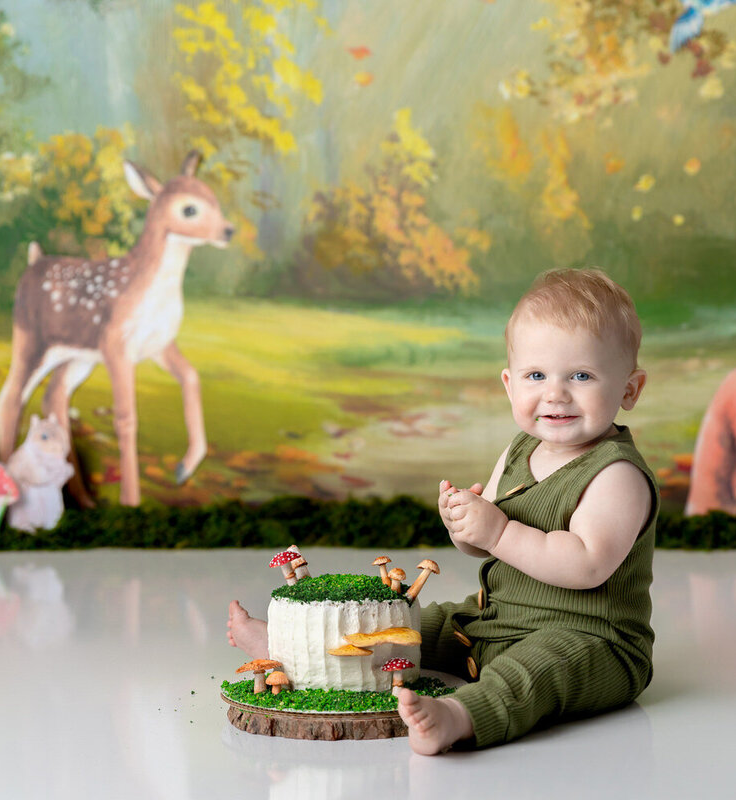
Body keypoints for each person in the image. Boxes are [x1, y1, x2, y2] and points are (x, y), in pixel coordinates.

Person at [228, 268, 658, 755]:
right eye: (536, 375)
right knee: (412, 624)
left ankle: (459, 716)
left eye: (581, 375)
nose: (555, 393)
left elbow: (585, 564)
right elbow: (480, 542)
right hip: (494, 620)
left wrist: (497, 532)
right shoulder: (521, 449)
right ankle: (295, 652)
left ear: (629, 389)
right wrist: (466, 522)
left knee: (536, 670)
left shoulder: (616, 474)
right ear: (509, 383)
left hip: (592, 640)